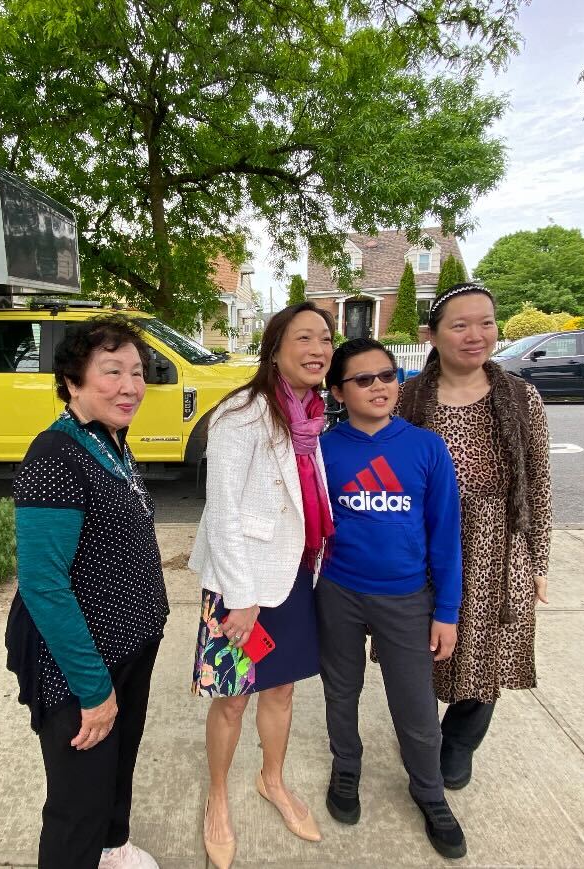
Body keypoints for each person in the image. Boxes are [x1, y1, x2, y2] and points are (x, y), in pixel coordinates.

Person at [5, 315, 170, 869]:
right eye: (112, 371)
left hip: (129, 645)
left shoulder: (109, 441)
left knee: (117, 768)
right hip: (80, 663)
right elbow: (44, 586)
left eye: (137, 372)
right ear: (73, 382)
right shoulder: (55, 456)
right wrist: (94, 689)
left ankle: (112, 848)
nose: (131, 385)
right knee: (78, 801)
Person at [189, 301, 335, 869]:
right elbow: (223, 511)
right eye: (304, 338)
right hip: (241, 585)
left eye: (325, 338)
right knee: (231, 699)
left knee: (282, 690)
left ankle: (271, 780)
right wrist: (240, 597)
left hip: (293, 575)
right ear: (275, 349)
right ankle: (218, 798)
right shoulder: (242, 413)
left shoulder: (312, 413)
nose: (318, 349)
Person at [393, 282, 552, 791]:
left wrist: (539, 560)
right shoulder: (406, 398)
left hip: (497, 545)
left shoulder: (522, 397)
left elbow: (539, 481)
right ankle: (421, 731)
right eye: (459, 325)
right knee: (420, 647)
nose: (475, 335)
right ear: (433, 335)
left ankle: (459, 742)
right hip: (424, 542)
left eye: (485, 322)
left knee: (488, 648)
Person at [317, 338, 467, 859]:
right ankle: (346, 767)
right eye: (363, 379)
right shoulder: (324, 449)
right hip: (338, 591)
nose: (379, 386)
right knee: (341, 691)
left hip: (406, 598)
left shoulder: (426, 447)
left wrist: (446, 611)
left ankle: (428, 790)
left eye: (387, 375)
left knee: (415, 705)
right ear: (338, 392)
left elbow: (445, 535)